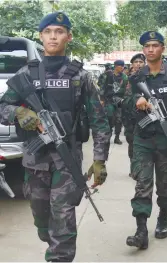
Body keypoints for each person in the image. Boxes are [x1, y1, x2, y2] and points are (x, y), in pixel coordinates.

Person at [0, 12, 111, 262]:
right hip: (34, 161)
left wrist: (99, 159)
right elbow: (2, 108)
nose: (53, 36)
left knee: (63, 226)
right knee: (42, 220)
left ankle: (58, 256)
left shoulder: (80, 76)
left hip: (66, 162)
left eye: (59, 32)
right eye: (48, 32)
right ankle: (50, 239)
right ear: (41, 36)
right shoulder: (26, 75)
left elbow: (99, 119)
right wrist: (19, 111)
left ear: (68, 37)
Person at [126, 31, 167, 249]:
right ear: (143, 50)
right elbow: (122, 102)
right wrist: (137, 99)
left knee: (165, 186)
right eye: (147, 46)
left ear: (163, 48)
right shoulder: (136, 77)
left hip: (166, 141)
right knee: (142, 184)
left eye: (155, 45)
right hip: (143, 139)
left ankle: (162, 217)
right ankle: (141, 230)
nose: (151, 49)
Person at [121, 53, 146, 177]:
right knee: (132, 144)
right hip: (130, 118)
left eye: (141, 62)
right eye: (136, 62)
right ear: (132, 65)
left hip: (146, 117)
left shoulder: (148, 78)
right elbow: (120, 97)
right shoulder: (127, 79)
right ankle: (134, 168)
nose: (138, 64)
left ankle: (142, 169)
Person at [98, 60, 128, 145]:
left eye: (123, 66)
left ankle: (117, 137)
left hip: (119, 101)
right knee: (109, 119)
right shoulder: (107, 75)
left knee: (119, 120)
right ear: (115, 66)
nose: (122, 67)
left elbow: (127, 89)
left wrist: (124, 99)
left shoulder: (125, 77)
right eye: (120, 66)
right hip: (108, 100)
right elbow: (102, 87)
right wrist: (102, 99)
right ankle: (108, 137)